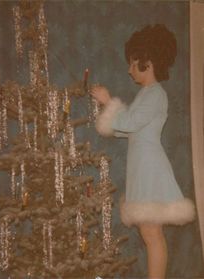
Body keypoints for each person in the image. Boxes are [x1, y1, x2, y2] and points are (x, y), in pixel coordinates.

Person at [91, 24, 195, 279]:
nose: (129, 69)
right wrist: (108, 115)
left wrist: (108, 102)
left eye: (132, 62)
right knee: (149, 233)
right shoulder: (146, 94)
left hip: (150, 168)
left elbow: (130, 122)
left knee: (151, 233)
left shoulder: (156, 94)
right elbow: (126, 129)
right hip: (142, 167)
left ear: (147, 62)